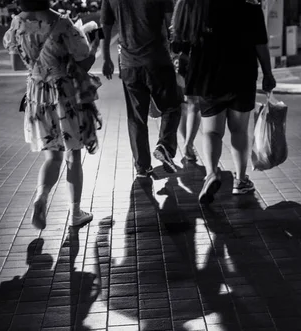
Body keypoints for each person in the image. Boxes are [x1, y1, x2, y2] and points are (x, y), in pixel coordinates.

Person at [3, 0, 102, 230]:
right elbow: (84, 63)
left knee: (52, 157)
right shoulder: (62, 23)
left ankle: (41, 197)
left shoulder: (17, 24)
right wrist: (95, 45)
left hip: (37, 96)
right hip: (65, 95)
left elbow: (17, 65)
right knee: (72, 156)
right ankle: (76, 212)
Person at [171, 0, 276, 204]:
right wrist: (268, 73)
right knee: (238, 130)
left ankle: (211, 173)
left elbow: (179, 43)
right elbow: (260, 44)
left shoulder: (195, 6)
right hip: (241, 75)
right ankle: (240, 180)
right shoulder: (249, 6)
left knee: (211, 132)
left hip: (207, 76)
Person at [100, 0, 182, 178]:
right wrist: (177, 51)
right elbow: (171, 24)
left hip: (129, 65)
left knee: (136, 117)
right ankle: (165, 145)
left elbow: (105, 27)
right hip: (158, 61)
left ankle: (142, 166)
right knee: (172, 106)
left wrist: (106, 57)